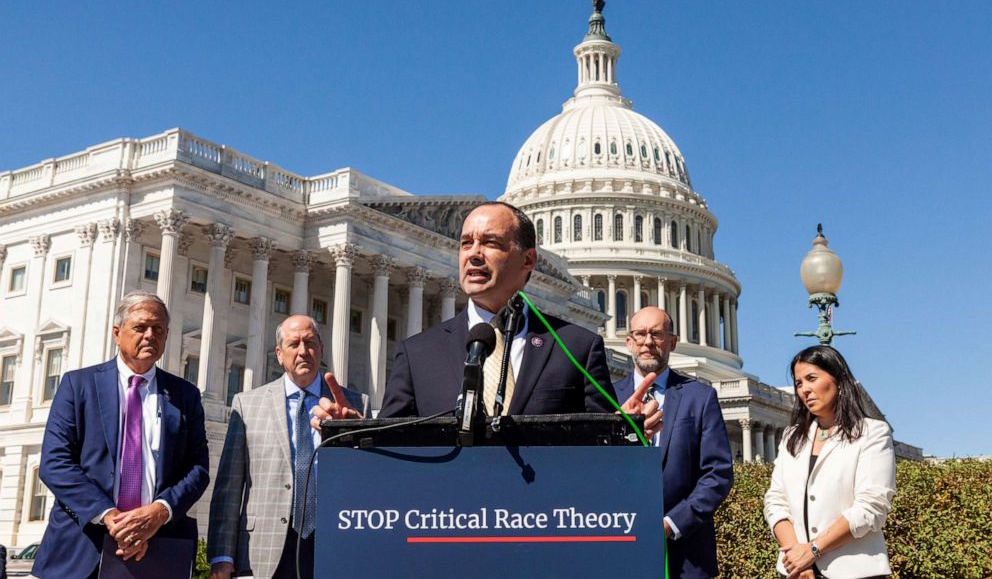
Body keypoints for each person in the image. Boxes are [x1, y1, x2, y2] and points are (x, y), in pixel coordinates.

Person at [368, 201, 659, 423]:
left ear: (528, 259)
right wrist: (350, 436)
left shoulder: (576, 348)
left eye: (490, 243)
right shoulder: (418, 353)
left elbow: (601, 452)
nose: (474, 253)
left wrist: (623, 429)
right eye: (466, 243)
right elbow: (390, 446)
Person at [33, 291, 209, 578]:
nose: (150, 335)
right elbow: (55, 463)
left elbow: (198, 468)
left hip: (160, 548)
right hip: (82, 548)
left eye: (159, 329)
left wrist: (160, 511)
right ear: (117, 333)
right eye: (140, 327)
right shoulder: (79, 386)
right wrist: (111, 517)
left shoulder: (185, 395)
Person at [208, 315, 371, 579]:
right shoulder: (247, 405)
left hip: (333, 541)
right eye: (294, 344)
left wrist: (353, 432)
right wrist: (221, 555)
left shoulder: (354, 405)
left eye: (310, 343)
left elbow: (369, 480)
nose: (303, 351)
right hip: (264, 548)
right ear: (279, 354)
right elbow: (229, 486)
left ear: (321, 349)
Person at [613, 306, 734, 579]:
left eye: (656, 334)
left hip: (686, 554)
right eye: (640, 334)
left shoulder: (700, 397)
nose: (648, 342)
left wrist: (671, 523)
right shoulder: (608, 397)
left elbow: (718, 474)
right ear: (629, 342)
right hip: (621, 547)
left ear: (672, 341)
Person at [763, 345, 896, 579]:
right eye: (799, 383)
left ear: (838, 380)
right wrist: (798, 559)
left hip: (855, 572)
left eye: (811, 379)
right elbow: (775, 500)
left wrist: (812, 550)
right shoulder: (792, 437)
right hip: (797, 572)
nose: (804, 390)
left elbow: (872, 506)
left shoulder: (872, 433)